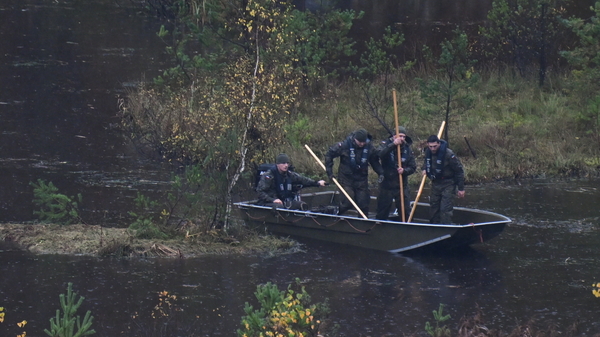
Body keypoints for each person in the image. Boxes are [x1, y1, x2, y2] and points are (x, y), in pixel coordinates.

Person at [325, 128, 383, 216]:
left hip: (361, 180)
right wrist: (330, 172)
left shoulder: (369, 147)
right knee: (347, 202)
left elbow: (374, 162)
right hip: (346, 179)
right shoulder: (344, 146)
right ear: (355, 139)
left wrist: (381, 172)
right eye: (360, 142)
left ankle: (363, 224)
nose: (362, 144)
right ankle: (337, 214)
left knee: (364, 204)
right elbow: (329, 155)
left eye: (364, 142)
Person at [421, 135, 465, 224]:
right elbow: (426, 162)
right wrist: (424, 168)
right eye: (430, 146)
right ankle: (434, 226)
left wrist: (461, 188)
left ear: (439, 144)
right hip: (435, 183)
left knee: (445, 208)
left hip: (448, 183)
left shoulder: (448, 154)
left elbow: (459, 171)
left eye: (435, 146)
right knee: (434, 206)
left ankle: (446, 226)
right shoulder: (428, 152)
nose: (433, 149)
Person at [375, 126, 416, 221]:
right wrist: (393, 145)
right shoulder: (385, 144)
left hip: (401, 185)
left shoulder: (407, 149)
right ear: (394, 136)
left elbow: (413, 167)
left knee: (405, 211)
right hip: (387, 184)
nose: (402, 139)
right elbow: (379, 154)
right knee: (382, 210)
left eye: (404, 136)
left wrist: (404, 171)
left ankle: (406, 228)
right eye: (400, 136)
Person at [256, 153, 326, 209]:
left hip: (283, 201)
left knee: (301, 205)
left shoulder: (289, 174)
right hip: (269, 202)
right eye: (283, 163)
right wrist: (273, 200)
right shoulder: (269, 176)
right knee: (280, 207)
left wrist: (317, 183)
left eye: (287, 163)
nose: (286, 165)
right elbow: (260, 192)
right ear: (277, 164)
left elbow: (303, 180)